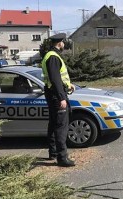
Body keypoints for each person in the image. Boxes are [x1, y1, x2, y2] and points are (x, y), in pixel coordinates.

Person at [41, 33, 75, 167]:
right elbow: (55, 79)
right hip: (56, 96)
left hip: (51, 94)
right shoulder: (54, 57)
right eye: (63, 42)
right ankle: (62, 158)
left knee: (54, 123)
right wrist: (62, 97)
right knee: (61, 126)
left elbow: (57, 78)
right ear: (60, 43)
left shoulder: (49, 55)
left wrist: (68, 84)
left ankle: (53, 152)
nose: (64, 45)